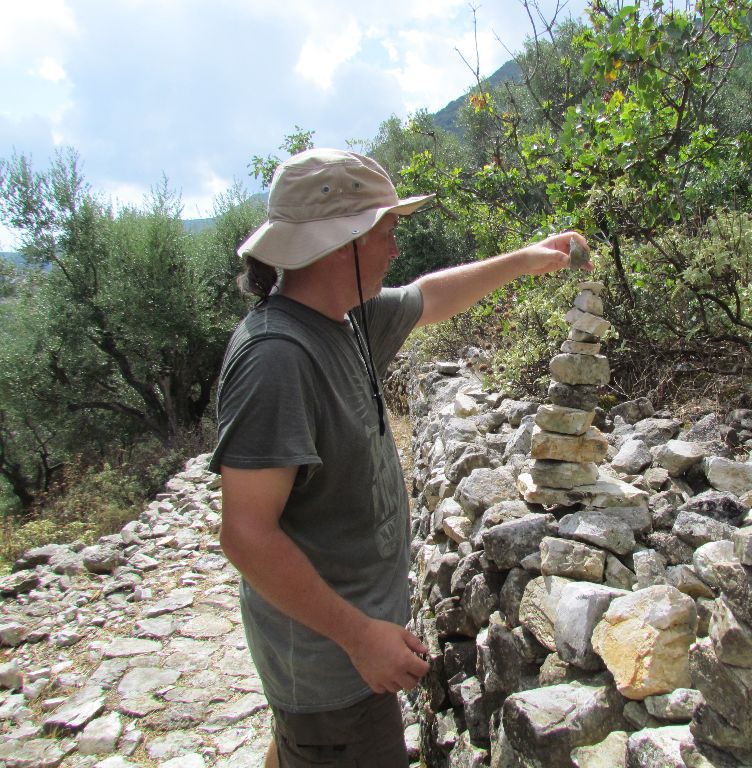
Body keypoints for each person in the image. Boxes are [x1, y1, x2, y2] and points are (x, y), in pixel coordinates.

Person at [209, 148, 589, 768]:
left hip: (338, 655)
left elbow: (430, 297)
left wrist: (526, 259)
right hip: (330, 669)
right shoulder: (276, 359)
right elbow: (246, 534)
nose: (393, 248)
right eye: (384, 232)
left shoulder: (345, 320)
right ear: (341, 243)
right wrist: (360, 638)